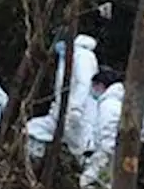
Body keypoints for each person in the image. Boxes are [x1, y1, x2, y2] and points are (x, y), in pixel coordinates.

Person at [25, 34, 99, 163]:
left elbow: (83, 84)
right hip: (61, 112)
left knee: (82, 149)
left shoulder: (83, 56)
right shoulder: (67, 58)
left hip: (77, 115)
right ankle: (35, 162)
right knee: (33, 129)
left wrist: (75, 109)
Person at [79, 68, 135, 189]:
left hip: (111, 154)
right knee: (124, 187)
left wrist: (104, 154)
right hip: (123, 152)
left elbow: (108, 131)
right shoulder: (120, 102)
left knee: (89, 181)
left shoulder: (108, 105)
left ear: (101, 85)